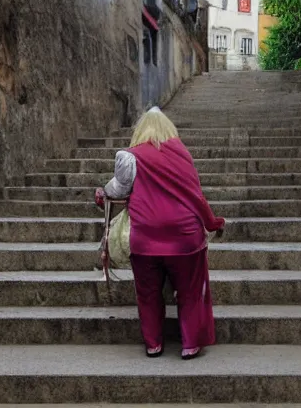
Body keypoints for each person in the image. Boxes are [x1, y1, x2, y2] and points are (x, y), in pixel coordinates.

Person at [95, 107, 225, 360]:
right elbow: (196, 196)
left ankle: (154, 343)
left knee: (148, 293)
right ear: (169, 131)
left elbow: (117, 191)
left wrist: (102, 195)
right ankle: (189, 344)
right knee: (189, 291)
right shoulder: (183, 156)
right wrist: (212, 222)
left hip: (145, 239)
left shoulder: (130, 157)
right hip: (185, 238)